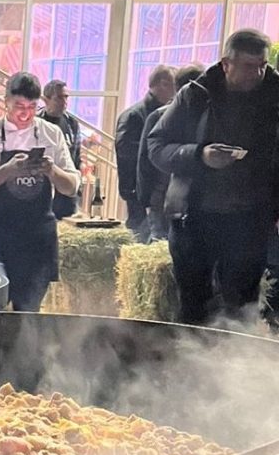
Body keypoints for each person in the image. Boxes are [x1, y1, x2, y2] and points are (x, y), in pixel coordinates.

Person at [148, 28, 279, 325]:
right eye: (247, 66)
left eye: (261, 66)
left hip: (251, 220)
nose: (255, 74)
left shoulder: (275, 97)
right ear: (226, 63)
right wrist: (199, 155)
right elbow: (156, 147)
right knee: (194, 305)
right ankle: (189, 367)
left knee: (243, 306)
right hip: (194, 219)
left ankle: (234, 367)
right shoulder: (195, 95)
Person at [0, 72, 81, 312]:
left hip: (37, 238)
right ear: (5, 101)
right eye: (18, 106)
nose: (25, 113)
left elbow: (71, 186)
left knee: (28, 314)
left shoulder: (51, 134)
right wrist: (6, 170)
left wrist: (51, 170)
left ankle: (24, 350)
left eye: (31, 107)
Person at [136, 63, 204, 242]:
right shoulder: (159, 117)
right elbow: (146, 160)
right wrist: (145, 200)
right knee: (160, 244)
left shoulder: (208, 116)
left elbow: (144, 160)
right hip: (163, 195)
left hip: (186, 198)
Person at [115, 64, 176, 238]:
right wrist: (133, 194)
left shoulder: (165, 115)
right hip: (141, 193)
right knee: (141, 238)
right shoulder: (135, 116)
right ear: (163, 84)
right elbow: (127, 159)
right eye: (174, 85)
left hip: (154, 193)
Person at [37, 79, 82, 219]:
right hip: (45, 188)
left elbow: (76, 156)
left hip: (66, 186)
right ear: (46, 100)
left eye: (66, 97)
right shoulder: (38, 123)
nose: (64, 102)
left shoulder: (71, 123)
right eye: (59, 98)